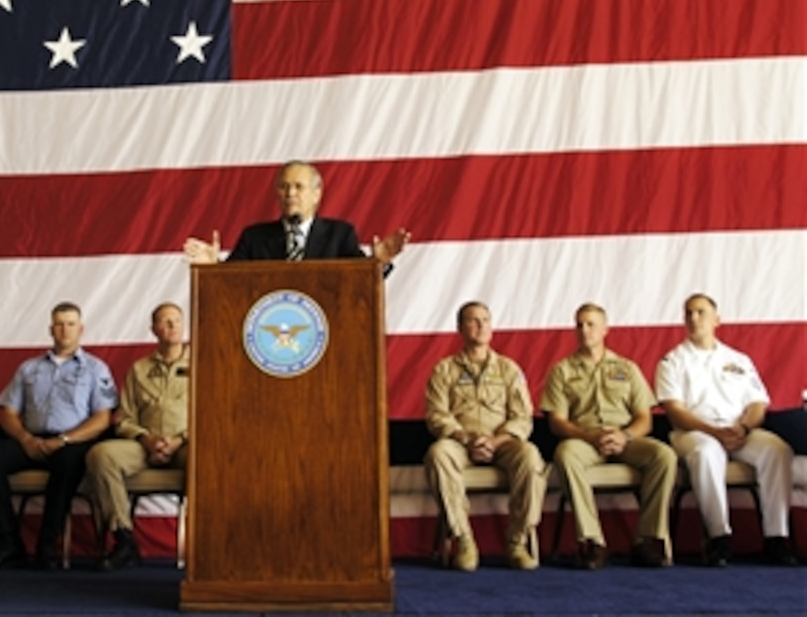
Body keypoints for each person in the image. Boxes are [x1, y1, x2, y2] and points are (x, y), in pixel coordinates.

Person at [0, 302, 118, 569]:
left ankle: (48, 544)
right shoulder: (29, 368)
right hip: (32, 440)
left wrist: (63, 440)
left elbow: (102, 419)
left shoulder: (96, 369)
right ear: (51, 329)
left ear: (81, 329)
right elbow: (10, 414)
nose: (65, 330)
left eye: (71, 324)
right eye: (59, 324)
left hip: (71, 443)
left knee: (68, 463)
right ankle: (9, 540)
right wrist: (25, 439)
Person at [654, 293, 796, 567]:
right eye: (689, 313)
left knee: (778, 451)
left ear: (717, 320)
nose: (694, 318)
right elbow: (675, 411)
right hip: (693, 432)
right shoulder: (672, 362)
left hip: (740, 430)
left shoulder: (739, 360)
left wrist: (743, 427)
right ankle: (718, 537)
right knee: (707, 453)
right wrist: (714, 432)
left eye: (701, 312)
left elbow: (757, 404)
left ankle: (776, 537)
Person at [540, 303, 677, 569]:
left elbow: (644, 418)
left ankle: (647, 539)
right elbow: (557, 422)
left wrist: (625, 436)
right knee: (565, 454)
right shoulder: (562, 370)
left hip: (624, 439)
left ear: (605, 329)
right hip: (584, 441)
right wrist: (589, 436)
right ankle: (592, 541)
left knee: (664, 455)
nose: (584, 330)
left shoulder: (627, 368)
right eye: (579, 325)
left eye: (591, 324)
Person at [424, 301, 546, 571]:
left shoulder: (509, 369)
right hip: (461, 444)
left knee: (530, 455)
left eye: (485, 320)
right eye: (473, 320)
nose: (480, 326)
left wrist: (495, 441)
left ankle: (516, 541)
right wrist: (467, 439)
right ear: (460, 328)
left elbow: (522, 418)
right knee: (438, 453)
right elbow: (437, 416)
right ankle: (464, 540)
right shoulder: (444, 370)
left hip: (502, 443)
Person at [86, 302, 189, 572]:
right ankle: (124, 539)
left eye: (176, 321)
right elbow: (124, 418)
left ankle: (207, 542)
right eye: (165, 322)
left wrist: (178, 440)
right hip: (144, 446)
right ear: (153, 329)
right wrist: (147, 439)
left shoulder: (203, 364)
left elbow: (212, 414)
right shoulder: (139, 369)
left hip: (187, 446)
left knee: (210, 460)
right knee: (101, 455)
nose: (172, 327)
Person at [183, 160, 410, 267]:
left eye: (298, 187)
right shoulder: (255, 237)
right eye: (284, 187)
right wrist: (215, 268)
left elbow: (361, 279)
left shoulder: (339, 235)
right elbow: (232, 280)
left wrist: (378, 262)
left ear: (316, 194)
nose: (290, 193)